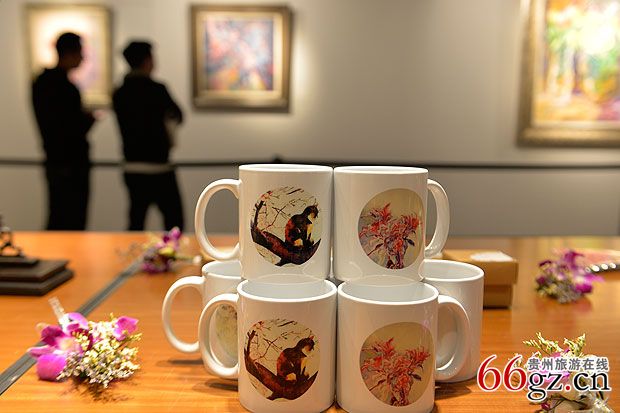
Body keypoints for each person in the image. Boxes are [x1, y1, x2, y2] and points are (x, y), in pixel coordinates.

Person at [113, 41, 184, 231]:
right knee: (174, 221)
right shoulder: (157, 89)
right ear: (147, 60)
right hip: (159, 167)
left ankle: (133, 251)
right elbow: (178, 115)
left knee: (136, 221)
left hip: (132, 166)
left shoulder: (119, 93)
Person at [32, 32, 96, 230]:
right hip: (70, 164)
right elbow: (70, 127)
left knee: (61, 216)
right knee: (69, 218)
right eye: (80, 52)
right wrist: (88, 119)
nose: (83, 58)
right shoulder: (62, 86)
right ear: (69, 53)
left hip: (58, 161)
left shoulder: (43, 82)